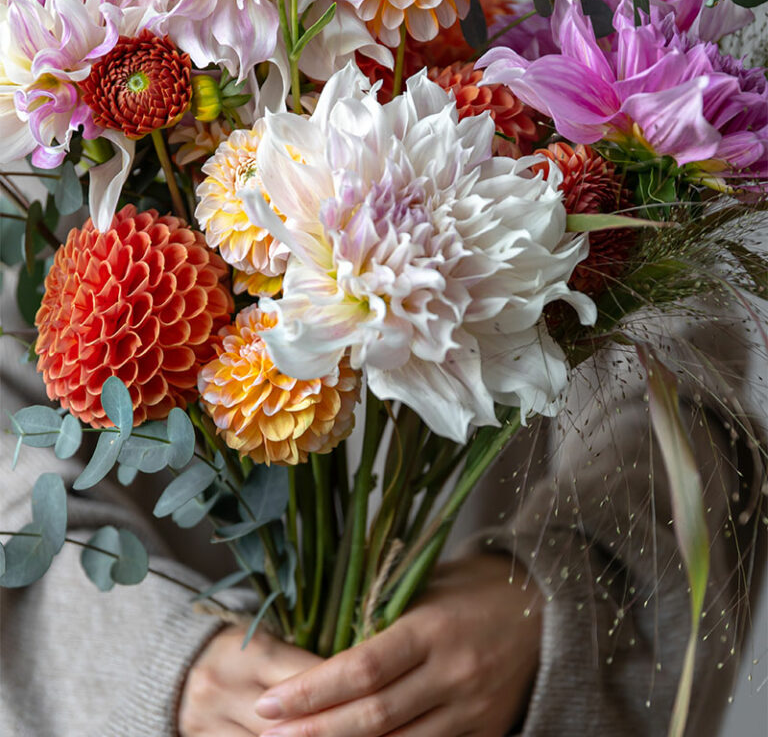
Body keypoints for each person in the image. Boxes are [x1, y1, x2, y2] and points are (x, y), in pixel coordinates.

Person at [1, 267, 765, 737]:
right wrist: (149, 664)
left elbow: (685, 381)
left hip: (495, 678)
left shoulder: (591, 20)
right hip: (174, 660)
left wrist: (550, 595)